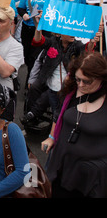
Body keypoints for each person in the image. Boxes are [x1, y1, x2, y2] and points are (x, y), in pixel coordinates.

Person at [43, 52, 107, 198]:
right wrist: (52, 137)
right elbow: (59, 116)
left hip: (91, 175)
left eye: (87, 81)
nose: (81, 85)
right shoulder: (71, 91)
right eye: (78, 79)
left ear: (101, 78)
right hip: (63, 166)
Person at [21, 21, 100, 126]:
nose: (72, 34)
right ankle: (31, 114)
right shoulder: (52, 42)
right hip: (47, 79)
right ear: (61, 33)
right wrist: (38, 26)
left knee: (50, 96)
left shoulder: (76, 45)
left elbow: (87, 50)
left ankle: (37, 115)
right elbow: (38, 41)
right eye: (69, 31)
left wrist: (92, 41)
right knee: (35, 88)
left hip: (66, 84)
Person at [17, 0, 61, 77]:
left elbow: (60, 10)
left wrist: (46, 15)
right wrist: (24, 15)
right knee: (27, 56)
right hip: (27, 29)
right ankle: (30, 75)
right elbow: (21, 8)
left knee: (37, 56)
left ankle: (32, 79)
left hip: (44, 30)